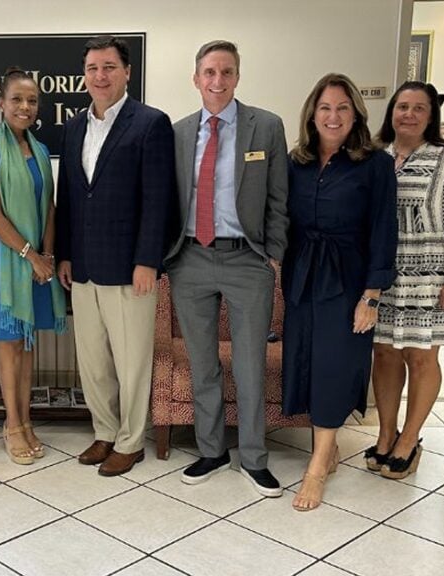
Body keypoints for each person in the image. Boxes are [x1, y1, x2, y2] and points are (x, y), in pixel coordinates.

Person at [165, 40, 288, 496]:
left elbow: (279, 197)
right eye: (210, 72)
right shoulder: (177, 132)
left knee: (250, 363)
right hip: (191, 259)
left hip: (247, 260)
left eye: (227, 72)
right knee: (203, 364)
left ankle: (254, 458)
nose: (218, 81)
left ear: (238, 77)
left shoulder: (266, 127)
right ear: (196, 78)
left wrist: (272, 252)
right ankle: (211, 450)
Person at [55, 35, 176, 477]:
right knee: (93, 360)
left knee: (131, 361)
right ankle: (104, 432)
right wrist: (64, 255)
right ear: (84, 75)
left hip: (130, 269)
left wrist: (148, 260)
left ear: (127, 72)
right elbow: (67, 197)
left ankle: (130, 441)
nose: (100, 75)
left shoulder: (150, 123)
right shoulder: (71, 128)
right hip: (83, 267)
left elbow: (158, 199)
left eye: (109, 66)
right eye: (92, 68)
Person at [282, 73, 397, 511]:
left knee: (334, 366)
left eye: (342, 108)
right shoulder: (297, 162)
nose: (333, 116)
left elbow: (384, 231)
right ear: (313, 113)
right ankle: (326, 450)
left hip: (349, 280)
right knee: (307, 362)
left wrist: (371, 296)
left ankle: (315, 468)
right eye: (326, 107)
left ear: (356, 116)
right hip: (301, 276)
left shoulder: (375, 164)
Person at [369, 82, 444, 480]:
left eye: (419, 108)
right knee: (384, 353)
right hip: (384, 273)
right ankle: (386, 434)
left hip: (433, 276)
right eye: (402, 106)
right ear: (391, 112)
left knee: (421, 356)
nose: (409, 114)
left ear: (431, 115)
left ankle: (410, 439)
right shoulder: (374, 154)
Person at [0, 68, 67, 465]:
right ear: (1, 104)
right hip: (1, 257)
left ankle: (27, 420)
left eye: (31, 101)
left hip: (36, 260)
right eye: (17, 100)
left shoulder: (41, 150)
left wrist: (46, 255)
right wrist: (30, 255)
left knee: (29, 342)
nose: (25, 107)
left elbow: (48, 208)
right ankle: (11, 425)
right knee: (9, 340)